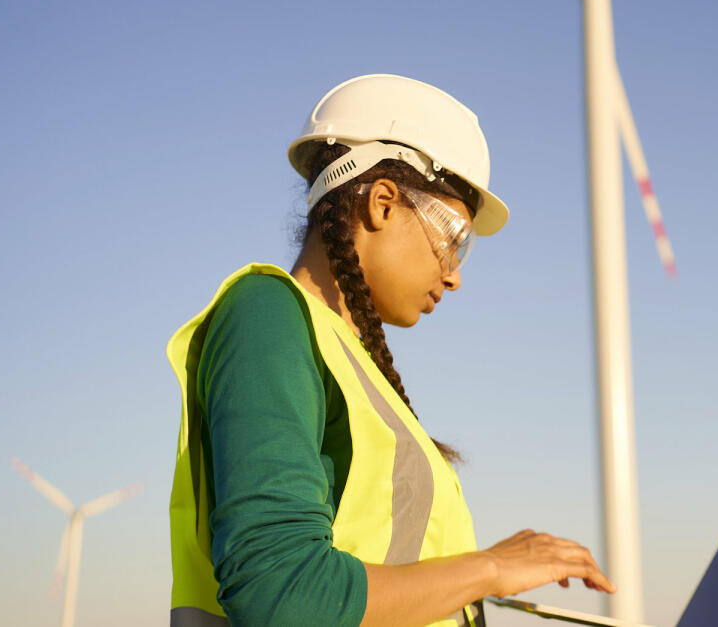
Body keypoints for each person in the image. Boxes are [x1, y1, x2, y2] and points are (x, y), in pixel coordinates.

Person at [166, 74, 615, 627]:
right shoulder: (268, 314)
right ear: (381, 203)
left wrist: (472, 581)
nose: (453, 276)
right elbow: (280, 592)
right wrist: (490, 569)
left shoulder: (350, 360)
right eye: (454, 239)